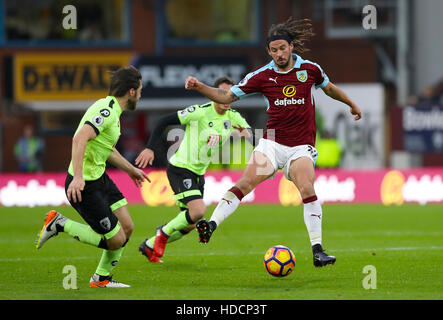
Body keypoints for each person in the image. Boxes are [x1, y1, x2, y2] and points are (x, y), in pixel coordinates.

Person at [185, 17, 362, 268]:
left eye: (283, 48)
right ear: (269, 51)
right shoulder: (262, 75)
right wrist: (200, 86)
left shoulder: (310, 70)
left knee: (307, 189)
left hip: (300, 146)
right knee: (245, 183)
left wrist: (350, 103)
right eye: (274, 50)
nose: (279, 54)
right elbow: (226, 96)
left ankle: (318, 250)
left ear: (291, 47)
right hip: (273, 143)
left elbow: (329, 88)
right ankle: (211, 225)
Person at [35, 66, 150, 287]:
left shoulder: (114, 112)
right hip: (85, 185)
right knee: (116, 240)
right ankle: (59, 223)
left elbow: (106, 148)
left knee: (127, 227)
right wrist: (78, 177)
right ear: (132, 91)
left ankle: (101, 279)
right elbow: (79, 138)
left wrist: (130, 169)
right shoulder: (106, 110)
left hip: (99, 178)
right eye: (141, 90)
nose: (141, 94)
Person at [136, 76, 253, 263]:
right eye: (223, 93)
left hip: (199, 174)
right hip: (180, 168)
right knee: (198, 212)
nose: (227, 98)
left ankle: (149, 244)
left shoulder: (233, 117)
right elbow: (163, 121)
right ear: (214, 95)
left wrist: (248, 135)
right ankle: (162, 233)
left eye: (231, 95)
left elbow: (249, 135)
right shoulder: (200, 112)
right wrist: (150, 148)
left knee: (189, 224)